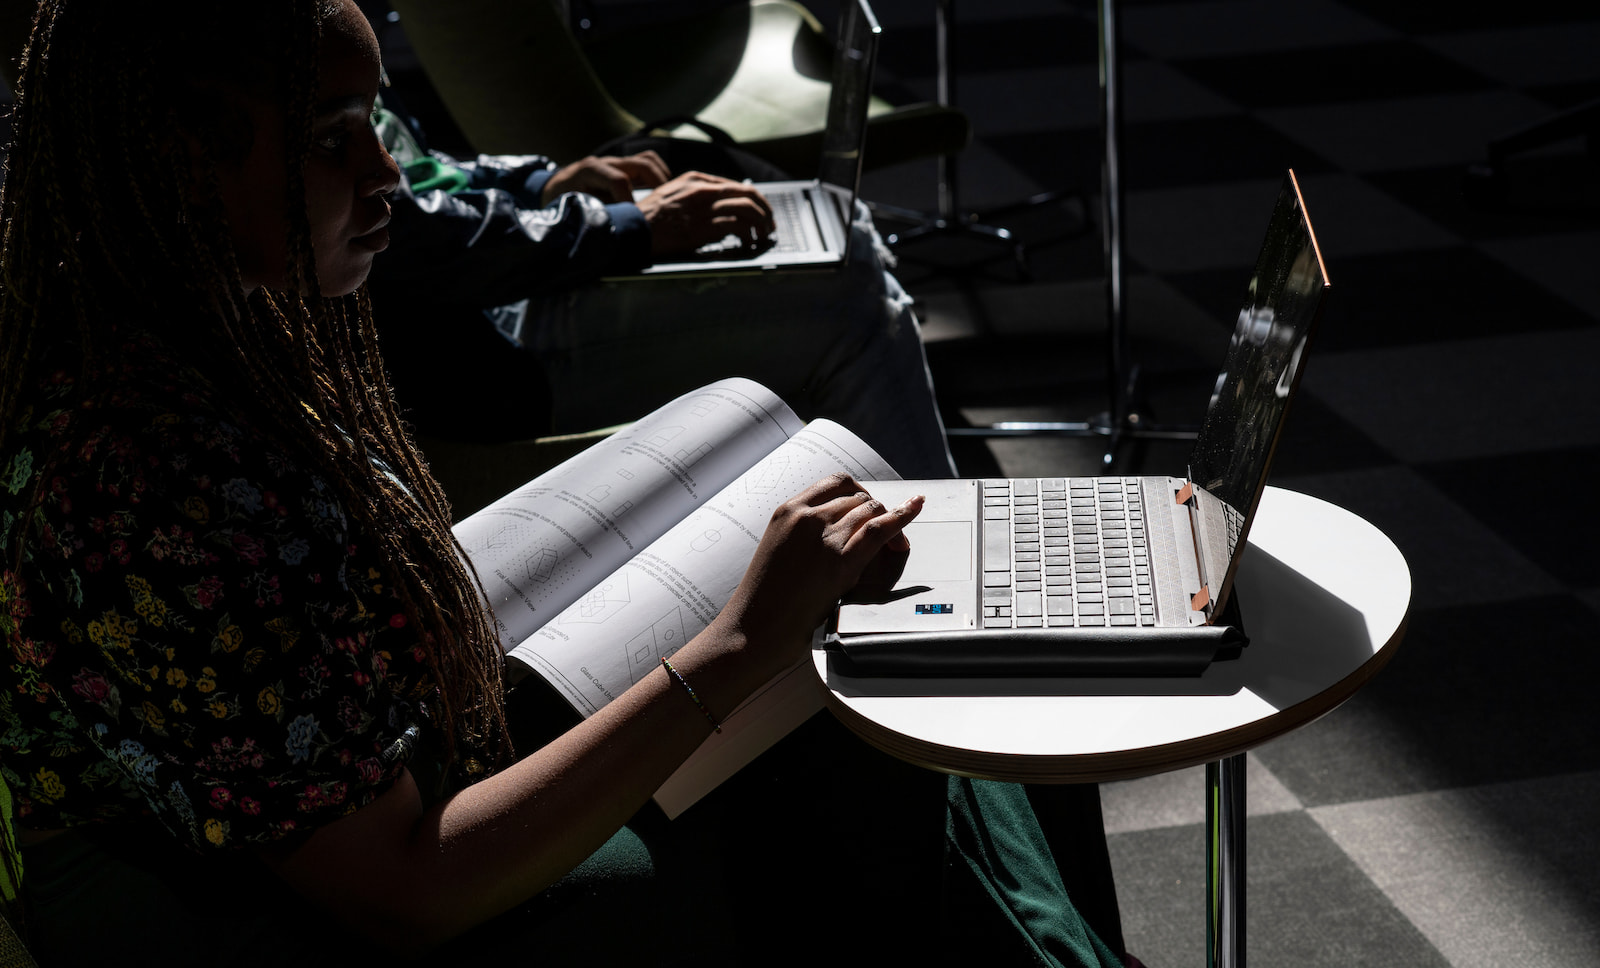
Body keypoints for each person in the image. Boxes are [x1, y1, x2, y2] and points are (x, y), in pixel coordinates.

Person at [0, 2, 1125, 965]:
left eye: (375, 121)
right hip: (220, 890)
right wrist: (728, 648)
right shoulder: (152, 471)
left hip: (345, 745)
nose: (385, 171)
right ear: (185, 159)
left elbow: (293, 645)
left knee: (863, 654)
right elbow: (401, 888)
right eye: (335, 139)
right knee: (829, 709)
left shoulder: (202, 330)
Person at [366, 85, 960, 480]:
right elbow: (410, 235)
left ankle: (897, 571)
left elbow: (415, 167)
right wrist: (633, 226)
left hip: (515, 289)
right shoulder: (297, 44)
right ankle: (938, 599)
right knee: (856, 309)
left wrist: (539, 185)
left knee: (844, 239)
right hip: (487, 357)